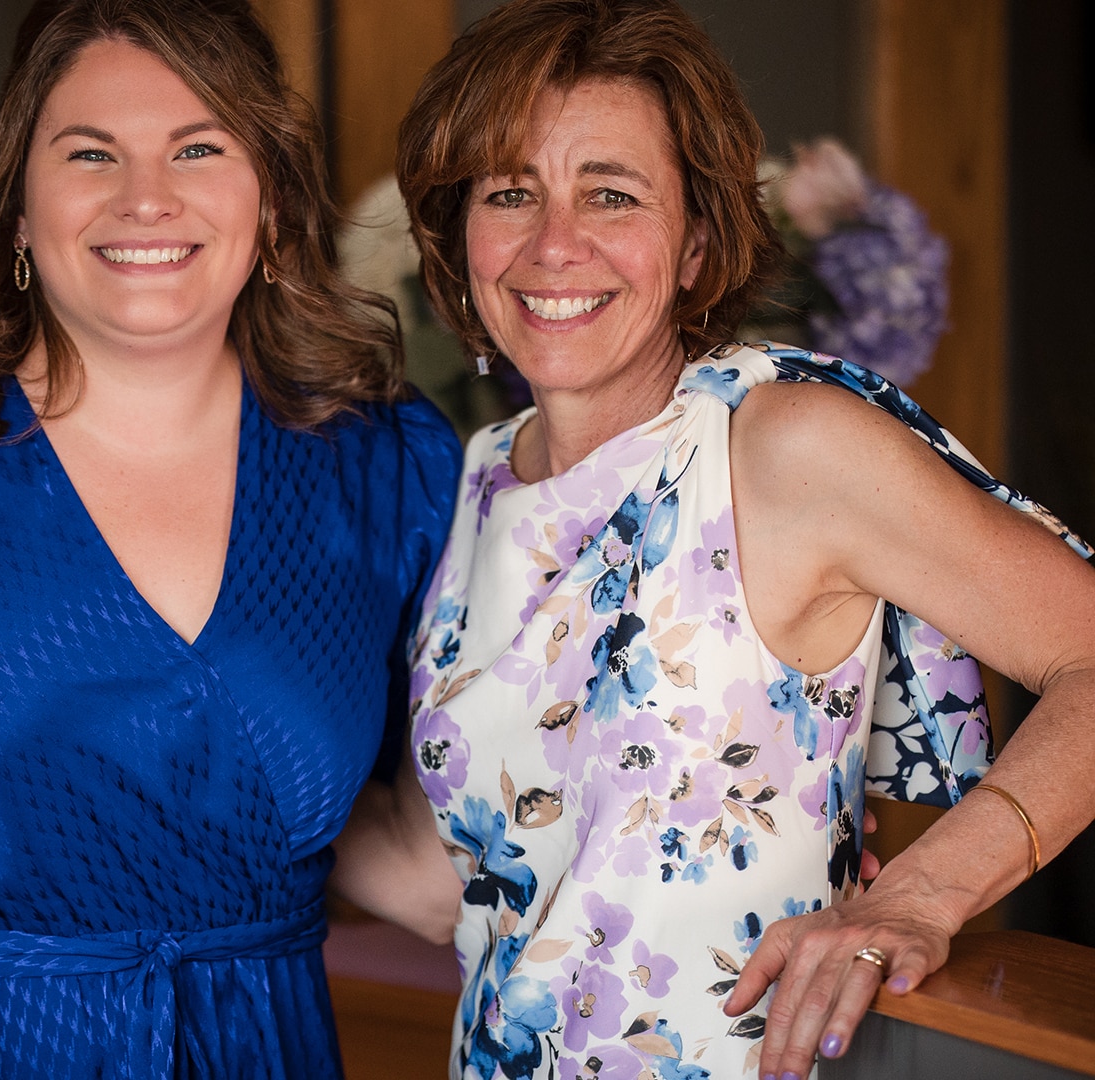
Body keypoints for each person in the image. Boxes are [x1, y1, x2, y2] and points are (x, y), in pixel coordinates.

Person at [343, 2, 1095, 1078]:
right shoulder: (475, 478)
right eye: (511, 192)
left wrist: (925, 893)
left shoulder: (781, 447)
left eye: (611, 193)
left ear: (696, 242)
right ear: (459, 240)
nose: (555, 243)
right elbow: (440, 873)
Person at [0, 1, 461, 1075]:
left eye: (199, 148)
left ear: (269, 200)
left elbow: (441, 835)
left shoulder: (390, 463)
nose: (146, 198)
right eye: (91, 153)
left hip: (264, 1046)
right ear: (18, 209)